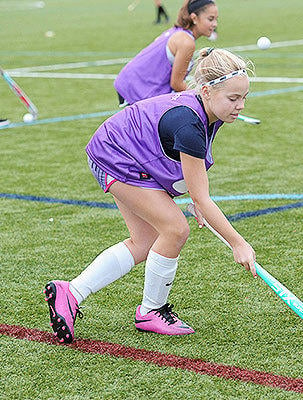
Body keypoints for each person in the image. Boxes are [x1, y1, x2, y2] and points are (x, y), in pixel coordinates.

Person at [43, 47, 257, 344]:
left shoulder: (208, 112)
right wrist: (239, 244)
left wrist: (197, 199)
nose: (241, 106)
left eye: (244, 97)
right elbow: (202, 197)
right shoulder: (190, 123)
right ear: (206, 91)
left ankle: (71, 292)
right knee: (174, 228)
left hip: (123, 151)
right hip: (115, 155)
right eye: (233, 98)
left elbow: (195, 185)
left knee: (145, 241)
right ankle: (151, 311)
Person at [114, 0, 218, 107]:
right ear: (194, 18)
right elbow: (177, 84)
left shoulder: (177, 31)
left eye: (216, 19)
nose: (215, 24)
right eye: (210, 19)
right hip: (135, 87)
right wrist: (203, 96)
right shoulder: (186, 42)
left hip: (129, 82)